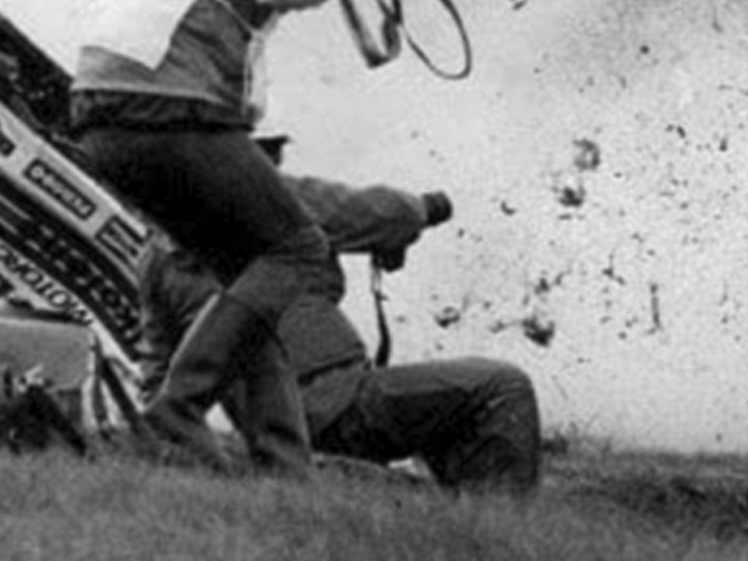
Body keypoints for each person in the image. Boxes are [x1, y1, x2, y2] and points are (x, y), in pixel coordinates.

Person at [71, 0, 410, 474]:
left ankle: (285, 466)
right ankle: (179, 405)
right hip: (175, 110)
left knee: (247, 276)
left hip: (99, 103)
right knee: (301, 254)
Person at [137, 172, 542, 492]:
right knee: (500, 386)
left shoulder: (157, 257)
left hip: (272, 431)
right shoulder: (271, 199)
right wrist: (425, 208)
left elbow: (158, 372)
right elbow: (383, 213)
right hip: (339, 406)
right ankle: (499, 533)